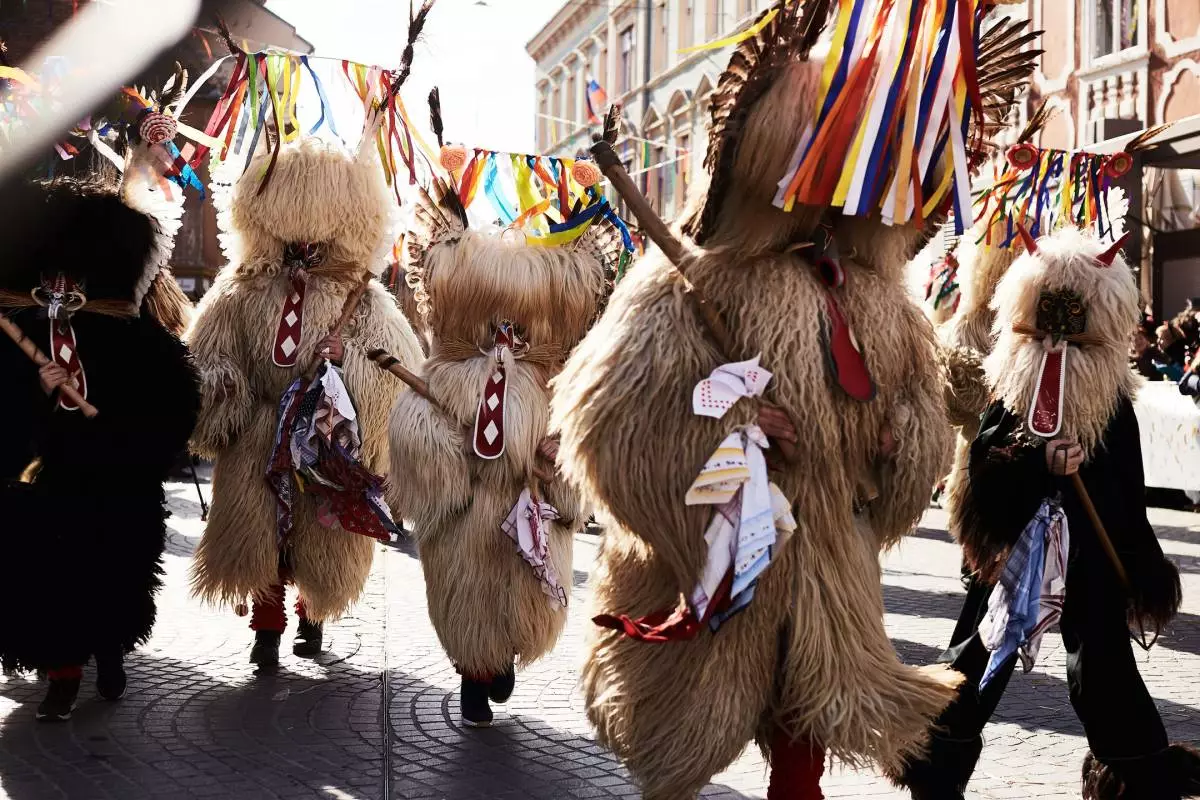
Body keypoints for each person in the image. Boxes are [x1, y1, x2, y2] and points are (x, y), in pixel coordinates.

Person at [550, 4, 1036, 798]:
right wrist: (733, 431)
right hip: (716, 560)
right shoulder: (693, 281)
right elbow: (613, 421)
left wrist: (898, 441)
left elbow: (915, 409)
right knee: (686, 732)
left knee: (806, 727)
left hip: (824, 564)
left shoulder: (882, 302)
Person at [889, 227, 1197, 799]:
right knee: (980, 651)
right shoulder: (1015, 378)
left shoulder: (1112, 394)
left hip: (1091, 556)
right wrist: (1036, 462)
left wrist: (1137, 558)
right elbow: (988, 456)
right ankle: (935, 762)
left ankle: (1138, 772)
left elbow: (1126, 487)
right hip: (1015, 545)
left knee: (1105, 667)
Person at [387, 88, 624, 727]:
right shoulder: (445, 371)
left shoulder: (555, 379)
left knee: (521, 599)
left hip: (529, 507)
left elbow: (584, 444)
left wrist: (561, 459)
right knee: (465, 596)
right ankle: (473, 670)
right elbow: (416, 430)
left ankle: (503, 661)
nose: (504, 333)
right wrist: (448, 465)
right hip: (465, 511)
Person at [186, 138, 424, 669]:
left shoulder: (361, 295)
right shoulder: (239, 289)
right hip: (259, 433)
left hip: (325, 436)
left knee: (321, 535)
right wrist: (224, 389)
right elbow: (208, 353)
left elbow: (396, 370)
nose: (306, 247)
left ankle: (312, 618)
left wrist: (348, 364)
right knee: (259, 534)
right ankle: (265, 631)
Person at [0, 171, 199, 721]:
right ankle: (61, 675)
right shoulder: (16, 327)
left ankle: (110, 652)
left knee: (113, 571)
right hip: (40, 480)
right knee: (44, 579)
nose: (61, 288)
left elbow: (171, 399)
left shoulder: (131, 334)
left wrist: (132, 447)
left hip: (113, 479)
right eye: (50, 276)